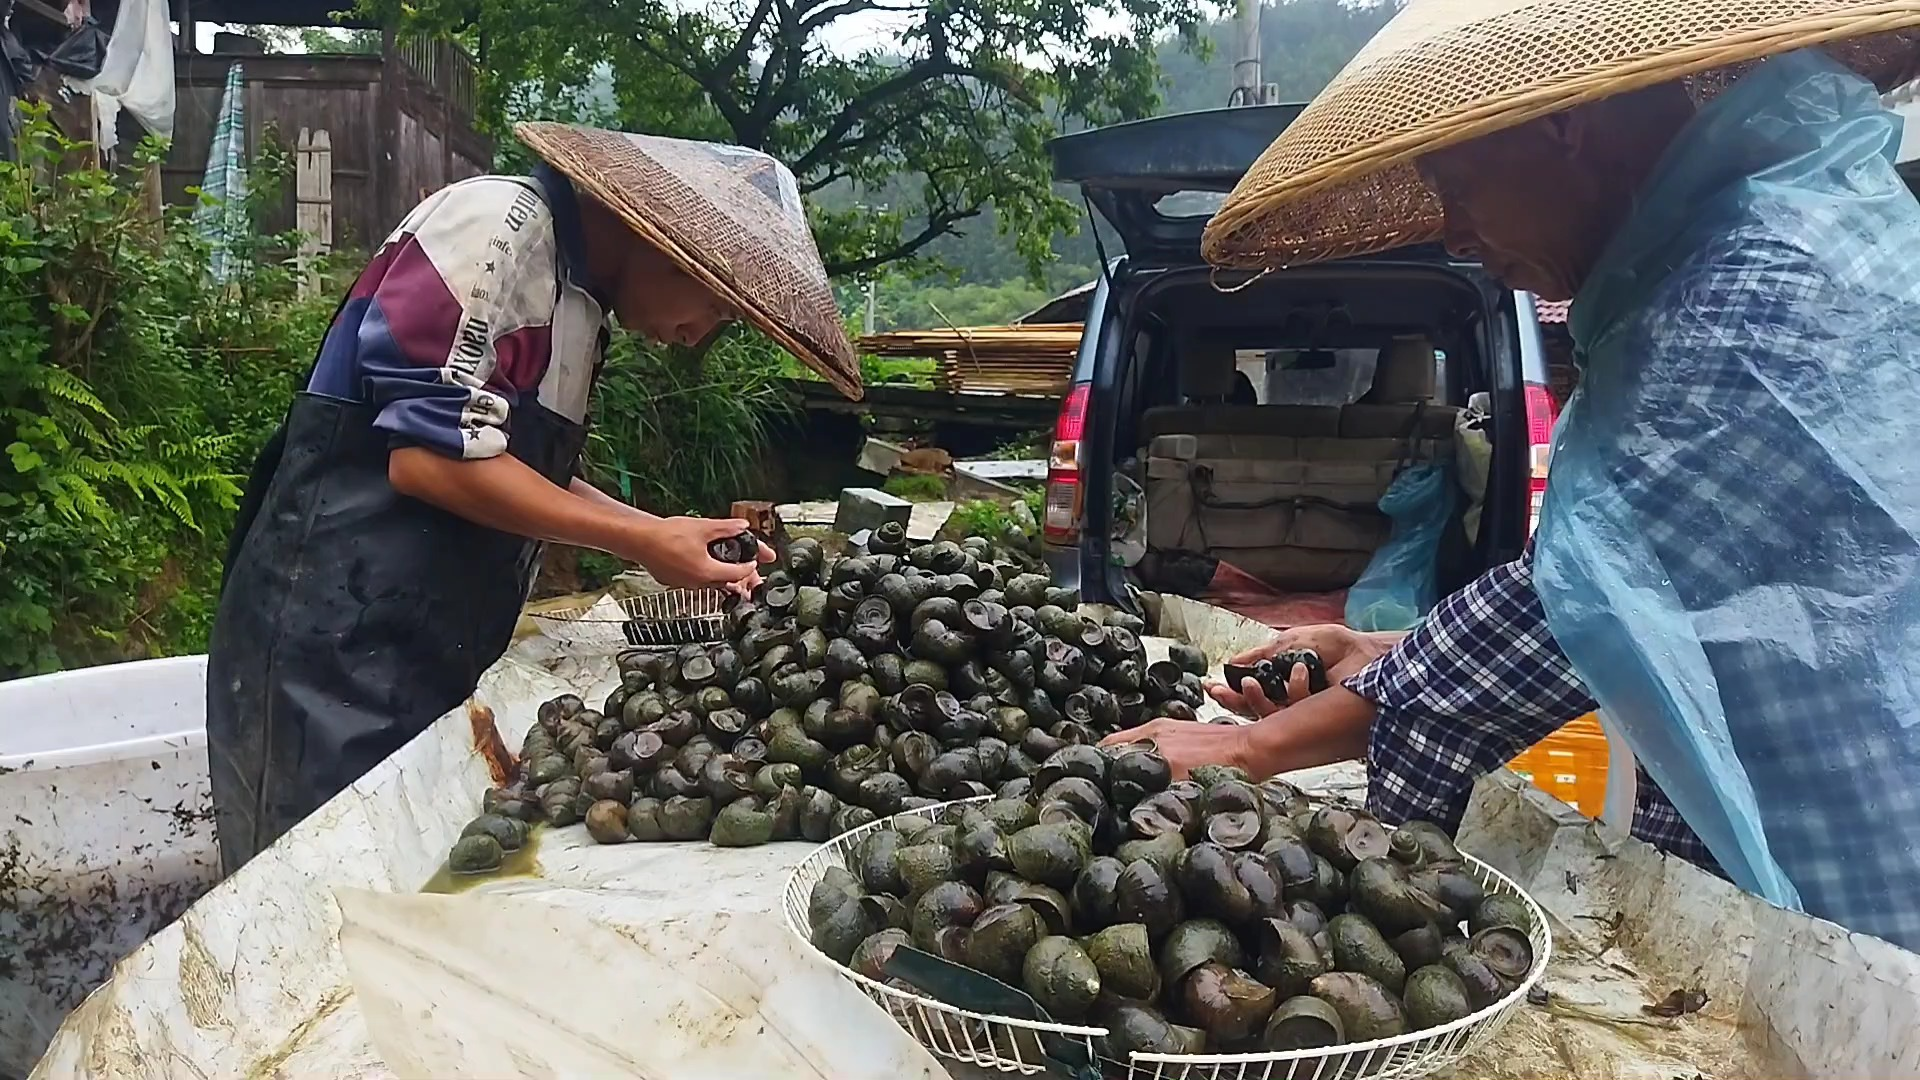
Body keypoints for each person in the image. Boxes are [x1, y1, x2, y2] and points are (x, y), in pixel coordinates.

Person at [1113, 9, 1920, 949]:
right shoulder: (1743, 250)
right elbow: (1656, 603)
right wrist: (1380, 652)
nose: (1455, 232)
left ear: (1560, 125)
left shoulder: (1753, 293)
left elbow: (1568, 612)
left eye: (1455, 182)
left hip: (1864, 870)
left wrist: (1252, 749)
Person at [208, 123, 862, 874]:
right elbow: (428, 461)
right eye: (713, 306)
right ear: (661, 242)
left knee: (406, 885)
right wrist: (637, 543)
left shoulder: (578, 304)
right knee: (305, 888)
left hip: (422, 644)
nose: (695, 336)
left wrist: (658, 532)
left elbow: (508, 466)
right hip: (327, 647)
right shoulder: (501, 227)